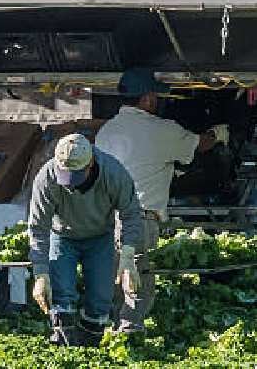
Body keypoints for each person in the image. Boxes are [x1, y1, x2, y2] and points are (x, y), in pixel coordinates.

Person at [95, 68, 226, 333]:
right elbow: (198, 145)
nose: (157, 101)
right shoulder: (160, 129)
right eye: (155, 96)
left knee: (112, 280)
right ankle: (129, 336)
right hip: (138, 221)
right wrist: (218, 135)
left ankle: (105, 333)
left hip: (105, 219)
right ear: (146, 99)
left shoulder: (106, 131)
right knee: (138, 280)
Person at [28, 133, 143, 347]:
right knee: (61, 294)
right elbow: (38, 226)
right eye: (66, 175)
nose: (70, 184)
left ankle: (91, 348)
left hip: (100, 237)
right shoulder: (46, 178)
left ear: (90, 163)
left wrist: (127, 258)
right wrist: (40, 273)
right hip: (62, 236)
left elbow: (131, 213)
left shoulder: (113, 173)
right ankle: (64, 346)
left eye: (76, 176)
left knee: (101, 299)